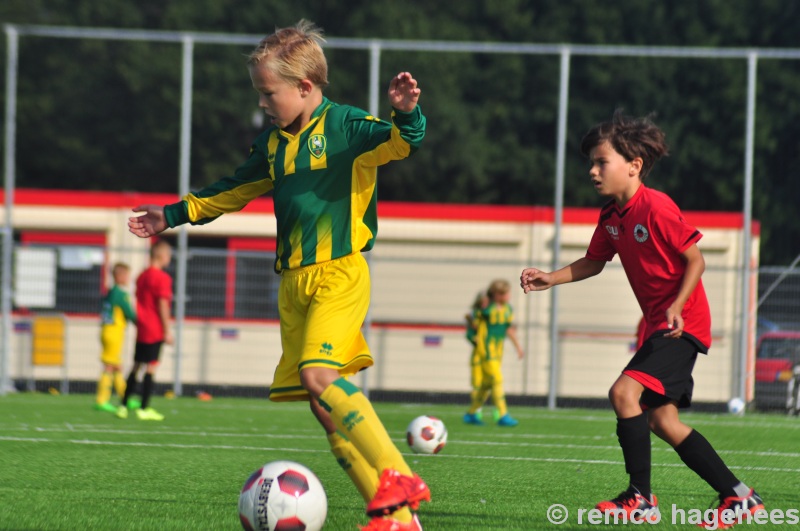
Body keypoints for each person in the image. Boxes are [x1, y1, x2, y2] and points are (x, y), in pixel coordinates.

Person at [126, 20, 428, 531]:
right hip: (294, 285)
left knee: (318, 377)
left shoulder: (347, 128)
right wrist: (171, 216)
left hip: (338, 273)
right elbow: (231, 190)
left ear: (305, 87)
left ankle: (398, 477)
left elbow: (402, 143)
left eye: (269, 93)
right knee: (322, 405)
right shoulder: (272, 146)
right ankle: (397, 518)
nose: (264, 103)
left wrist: (407, 113)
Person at [520, 110, 764, 528]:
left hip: (681, 324)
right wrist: (550, 278)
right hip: (661, 325)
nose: (593, 171)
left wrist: (675, 306)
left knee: (623, 394)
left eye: (602, 162)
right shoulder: (611, 217)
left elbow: (696, 260)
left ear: (633, 166)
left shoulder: (655, 207)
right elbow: (594, 262)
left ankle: (640, 497)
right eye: (591, 163)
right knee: (662, 421)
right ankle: (739, 497)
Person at [116, 240, 173, 422]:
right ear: (162, 256)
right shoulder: (162, 278)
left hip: (142, 327)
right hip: (155, 328)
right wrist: (167, 330)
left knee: (136, 365)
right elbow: (162, 304)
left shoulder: (141, 276)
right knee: (151, 367)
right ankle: (144, 408)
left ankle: (123, 405)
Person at [463, 279, 524, 427]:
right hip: (486, 352)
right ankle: (503, 415)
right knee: (497, 380)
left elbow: (508, 329)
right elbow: (472, 319)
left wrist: (518, 347)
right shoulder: (486, 310)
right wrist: (474, 336)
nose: (508, 296)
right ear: (496, 295)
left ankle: (471, 413)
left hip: (498, 353)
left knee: (485, 386)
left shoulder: (508, 310)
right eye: (504, 293)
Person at [94, 262, 137, 413]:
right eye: (127, 275)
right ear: (119, 276)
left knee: (116, 366)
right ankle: (102, 400)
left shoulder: (110, 292)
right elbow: (130, 314)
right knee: (110, 366)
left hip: (106, 331)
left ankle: (125, 398)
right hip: (114, 332)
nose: (128, 278)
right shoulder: (121, 294)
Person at [464, 290, 489, 421]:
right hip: (477, 356)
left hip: (491, 356)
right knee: (477, 385)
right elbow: (468, 334)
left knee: (492, 385)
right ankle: (476, 412)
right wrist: (474, 338)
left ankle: (499, 413)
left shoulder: (491, 315)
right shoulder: (473, 316)